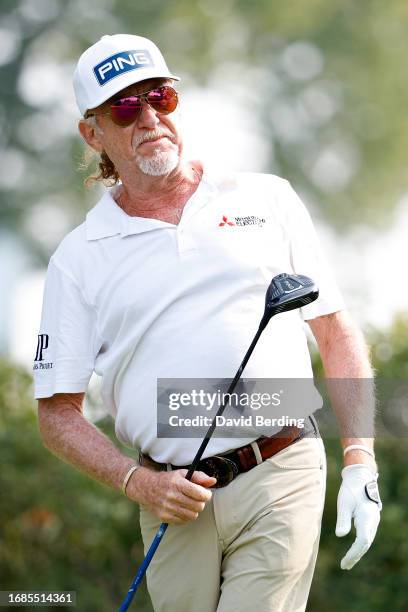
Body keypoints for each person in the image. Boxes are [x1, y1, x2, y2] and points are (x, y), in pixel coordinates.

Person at [33, 34, 382, 612]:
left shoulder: (267, 199)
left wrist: (360, 462)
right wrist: (136, 483)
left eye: (159, 98)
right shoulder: (78, 257)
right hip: (171, 497)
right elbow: (56, 414)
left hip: (281, 465)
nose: (148, 118)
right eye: (125, 107)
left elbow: (336, 332)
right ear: (92, 133)